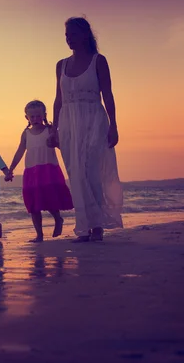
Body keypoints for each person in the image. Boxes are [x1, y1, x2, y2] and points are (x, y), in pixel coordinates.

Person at [47, 17, 123, 242]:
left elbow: (107, 94)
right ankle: (83, 227)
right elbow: (58, 99)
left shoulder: (98, 60)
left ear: (85, 34)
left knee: (90, 170)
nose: (68, 38)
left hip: (94, 120)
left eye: (72, 34)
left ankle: (97, 226)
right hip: (68, 122)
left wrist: (114, 125)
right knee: (75, 173)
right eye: (66, 35)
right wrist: (55, 129)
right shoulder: (61, 64)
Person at [7, 100, 73, 242]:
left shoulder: (50, 130)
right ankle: (39, 235)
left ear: (44, 115)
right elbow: (20, 151)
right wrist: (11, 168)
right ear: (27, 118)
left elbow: (62, 146)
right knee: (33, 204)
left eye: (38, 116)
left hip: (49, 169)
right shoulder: (26, 133)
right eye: (32, 117)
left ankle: (58, 219)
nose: (35, 119)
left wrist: (57, 143)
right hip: (31, 171)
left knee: (50, 199)